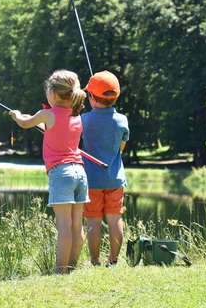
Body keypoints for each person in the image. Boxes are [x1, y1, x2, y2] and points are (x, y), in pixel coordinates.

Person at [9, 69, 88, 274]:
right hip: (80, 172)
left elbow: (26, 123)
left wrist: (16, 115)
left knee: (63, 225)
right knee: (76, 225)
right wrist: (36, 121)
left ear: (52, 94)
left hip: (61, 174)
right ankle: (70, 267)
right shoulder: (77, 116)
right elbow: (55, 129)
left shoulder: (47, 114)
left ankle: (60, 271)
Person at [81, 70, 129, 267]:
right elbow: (121, 148)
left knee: (93, 220)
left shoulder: (84, 120)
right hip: (115, 178)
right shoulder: (122, 120)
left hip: (91, 179)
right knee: (115, 217)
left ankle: (95, 261)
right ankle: (114, 260)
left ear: (92, 97)